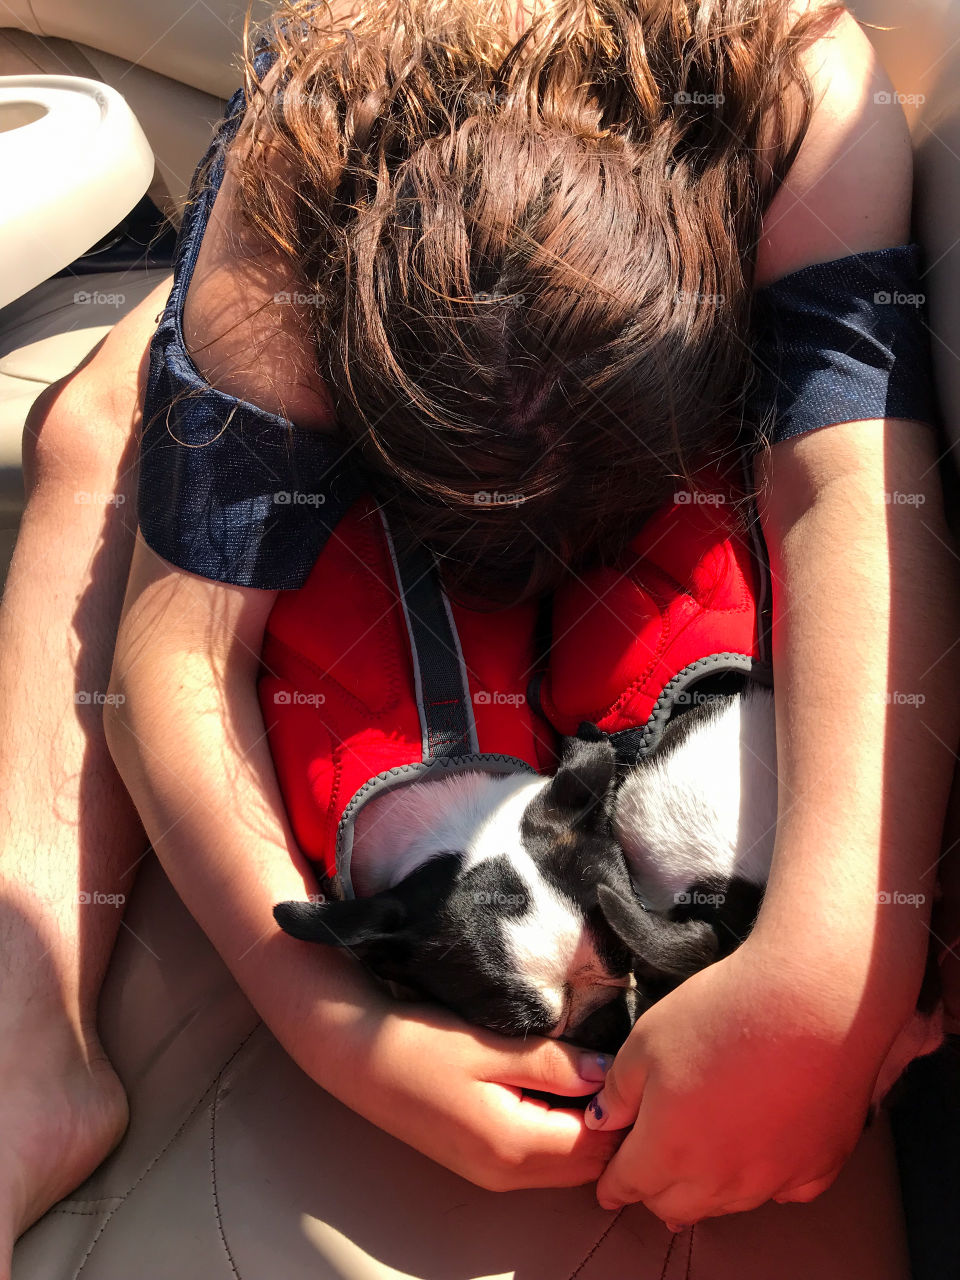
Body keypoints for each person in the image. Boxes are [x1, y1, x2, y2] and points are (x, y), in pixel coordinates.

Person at [1, 0, 957, 1271]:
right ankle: (24, 1039)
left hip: (683, 318)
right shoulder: (296, 170)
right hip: (337, 270)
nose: (516, 575)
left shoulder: (798, 92)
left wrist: (840, 959)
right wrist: (340, 1027)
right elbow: (178, 648)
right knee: (90, 436)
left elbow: (853, 489)